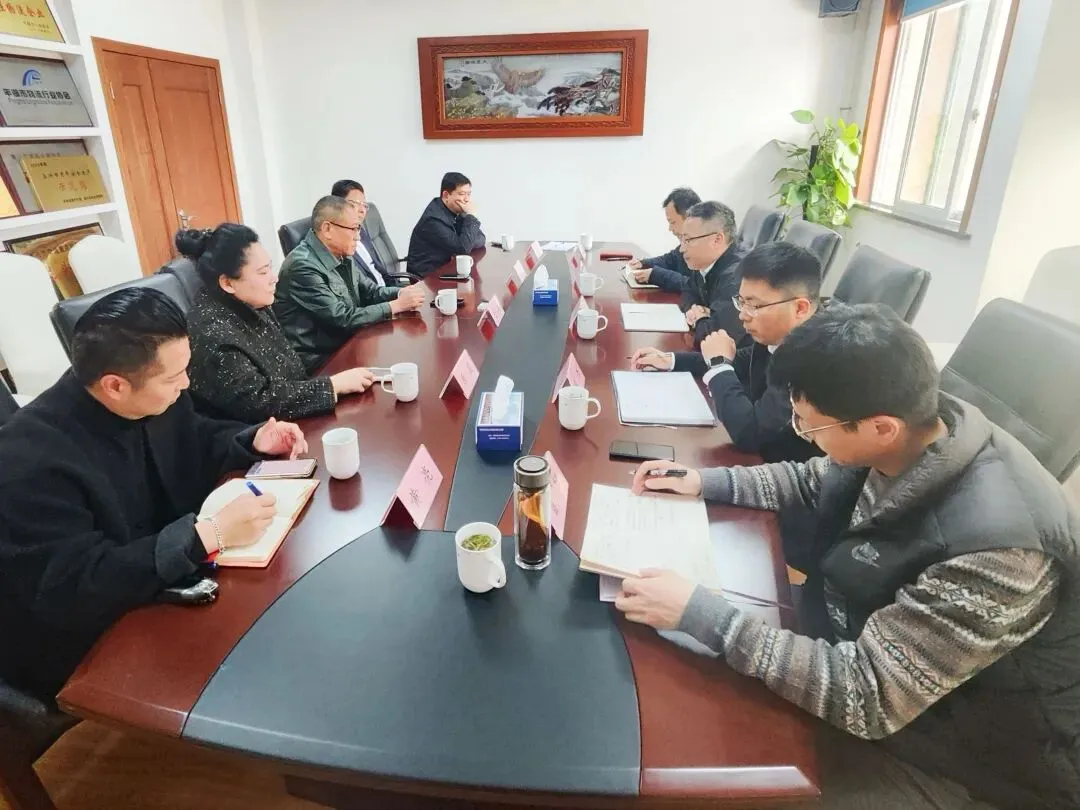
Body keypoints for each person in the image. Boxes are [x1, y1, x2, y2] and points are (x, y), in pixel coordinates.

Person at [618, 304, 1080, 810]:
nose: (801, 434)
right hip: (854, 635)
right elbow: (817, 479)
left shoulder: (997, 551)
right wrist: (703, 481)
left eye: (810, 427)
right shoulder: (913, 428)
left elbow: (869, 696)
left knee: (702, 765)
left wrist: (704, 615)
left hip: (959, 756)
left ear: (880, 428)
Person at [0, 288, 308, 703]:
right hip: (93, 644)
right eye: (173, 377)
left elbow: (194, 437)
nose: (186, 384)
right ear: (115, 386)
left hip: (168, 588)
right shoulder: (28, 461)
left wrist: (252, 440)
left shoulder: (150, 396)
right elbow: (75, 585)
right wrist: (207, 534)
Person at [630, 241, 823, 462]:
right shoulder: (780, 331)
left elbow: (750, 434)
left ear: (800, 308)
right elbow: (741, 361)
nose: (743, 315)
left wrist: (719, 365)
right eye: (741, 302)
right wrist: (672, 360)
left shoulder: (812, 358)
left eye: (754, 306)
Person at [182, 224, 377, 422]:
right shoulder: (212, 334)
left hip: (292, 416)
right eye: (263, 272)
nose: (274, 278)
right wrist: (332, 386)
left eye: (270, 268)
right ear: (228, 283)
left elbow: (292, 373)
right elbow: (258, 403)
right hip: (257, 435)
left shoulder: (251, 301)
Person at [275, 195, 425, 372]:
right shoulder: (302, 267)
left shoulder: (341, 253)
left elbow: (370, 291)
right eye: (354, 229)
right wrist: (396, 305)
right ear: (327, 229)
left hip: (349, 340)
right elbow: (342, 318)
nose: (358, 237)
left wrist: (401, 293)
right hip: (322, 360)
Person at [673, 200, 746, 347]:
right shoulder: (705, 263)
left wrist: (700, 319)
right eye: (682, 240)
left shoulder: (736, 279)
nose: (681, 249)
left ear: (716, 240)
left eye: (688, 240)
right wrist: (694, 308)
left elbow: (712, 337)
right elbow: (688, 290)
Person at [406, 171, 485, 276]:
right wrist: (471, 216)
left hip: (445, 270)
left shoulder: (453, 212)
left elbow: (481, 238)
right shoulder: (433, 220)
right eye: (462, 194)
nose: (466, 199)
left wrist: (467, 240)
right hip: (427, 278)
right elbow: (463, 249)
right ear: (446, 195)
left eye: (468, 194)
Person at [626, 186, 701, 293]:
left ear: (690, 218)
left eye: (672, 222)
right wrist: (643, 263)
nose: (670, 229)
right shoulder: (688, 243)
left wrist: (657, 275)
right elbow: (670, 259)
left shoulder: (707, 245)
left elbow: (697, 287)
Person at [330, 179, 398, 288]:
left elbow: (378, 268)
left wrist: (398, 291)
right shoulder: (336, 243)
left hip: (386, 290)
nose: (362, 210)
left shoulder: (361, 231)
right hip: (373, 296)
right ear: (337, 206)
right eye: (356, 204)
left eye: (364, 205)